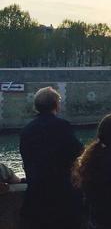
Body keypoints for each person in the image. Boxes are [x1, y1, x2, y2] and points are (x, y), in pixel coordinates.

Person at [19, 86, 84, 229]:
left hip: (35, 197)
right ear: (56, 105)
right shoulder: (62, 126)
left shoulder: (26, 130)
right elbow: (78, 150)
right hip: (61, 197)